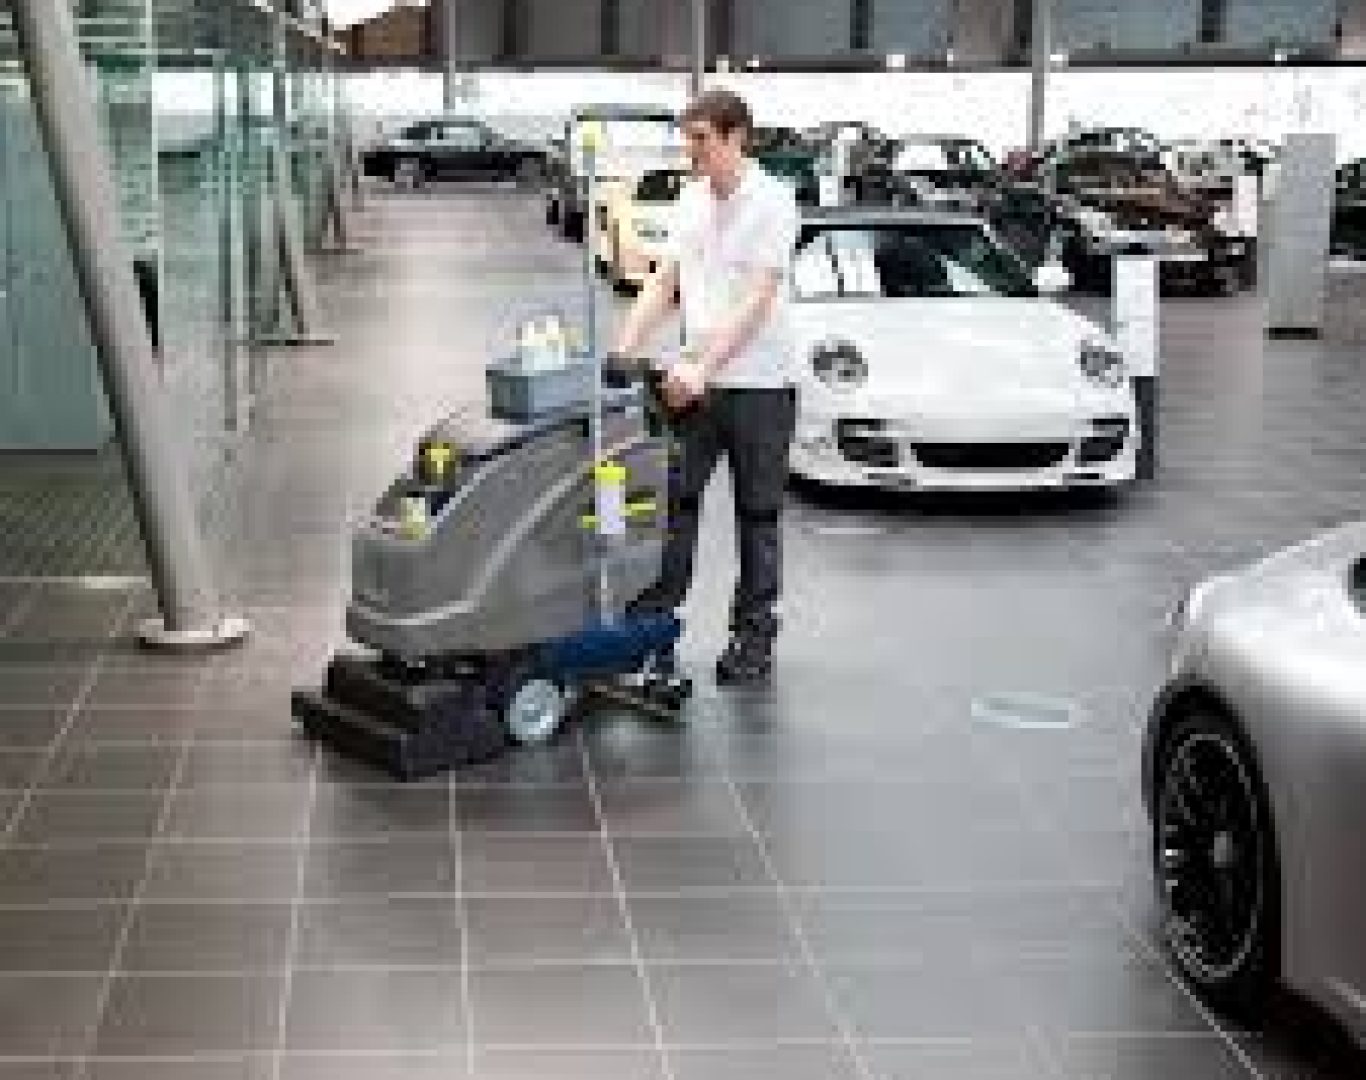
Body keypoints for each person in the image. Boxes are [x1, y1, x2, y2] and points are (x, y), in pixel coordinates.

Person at [611, 90, 799, 685]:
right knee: (673, 505)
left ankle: (753, 637)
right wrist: (625, 346)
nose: (690, 151)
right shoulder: (690, 200)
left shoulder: (773, 202)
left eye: (701, 139)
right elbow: (665, 279)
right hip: (694, 384)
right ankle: (653, 631)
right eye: (686, 138)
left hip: (761, 385)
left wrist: (701, 369)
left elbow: (755, 304)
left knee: (757, 515)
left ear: (737, 136)